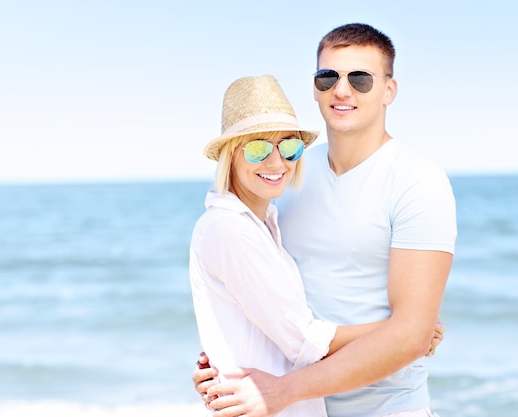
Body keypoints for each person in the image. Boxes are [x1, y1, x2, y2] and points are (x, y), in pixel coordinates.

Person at [193, 23, 457, 417]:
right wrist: (224, 361)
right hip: (296, 408)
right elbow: (259, 293)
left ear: (389, 90)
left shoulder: (419, 182)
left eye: (361, 79)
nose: (342, 90)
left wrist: (282, 391)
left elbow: (410, 336)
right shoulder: (286, 176)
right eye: (328, 76)